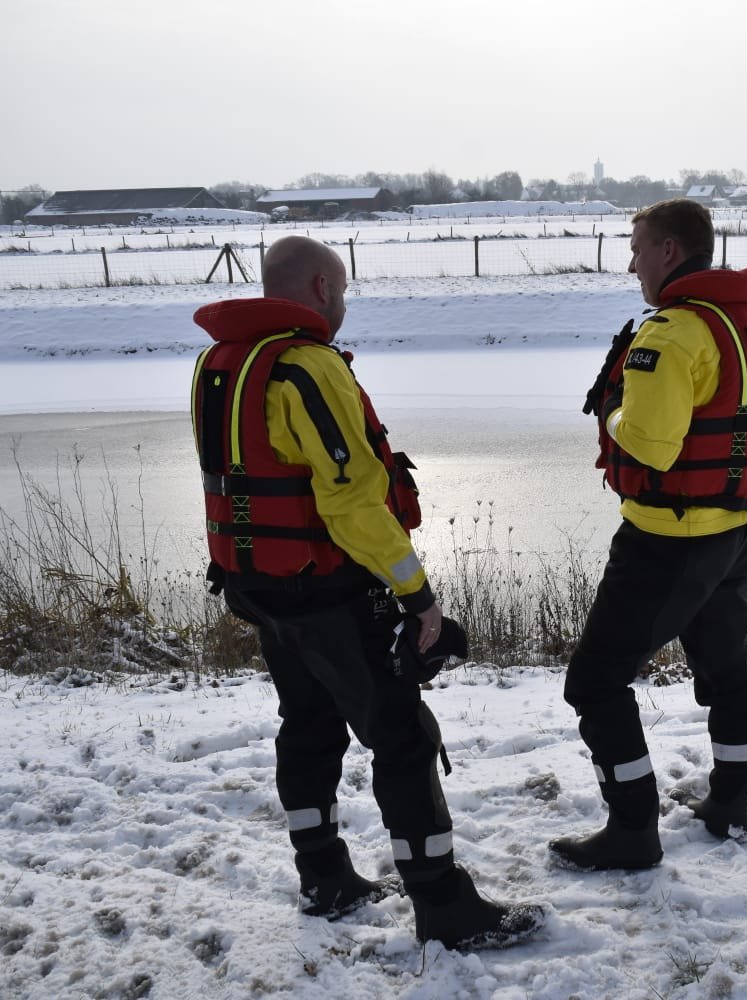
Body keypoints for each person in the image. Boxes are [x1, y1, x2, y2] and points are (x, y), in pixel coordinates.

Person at [190, 235, 541, 949]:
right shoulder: (308, 367)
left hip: (257, 588)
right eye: (343, 291)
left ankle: (324, 877)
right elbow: (351, 504)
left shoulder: (218, 364)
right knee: (403, 737)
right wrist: (418, 597)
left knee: (310, 723)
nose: (344, 305)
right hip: (326, 591)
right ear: (321, 287)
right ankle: (444, 908)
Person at [550, 199, 747, 871]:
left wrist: (617, 406)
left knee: (596, 683)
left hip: (668, 540)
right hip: (742, 528)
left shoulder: (666, 334)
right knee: (724, 665)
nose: (630, 264)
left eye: (636, 249)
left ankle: (632, 833)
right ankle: (729, 803)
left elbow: (652, 448)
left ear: (668, 251)